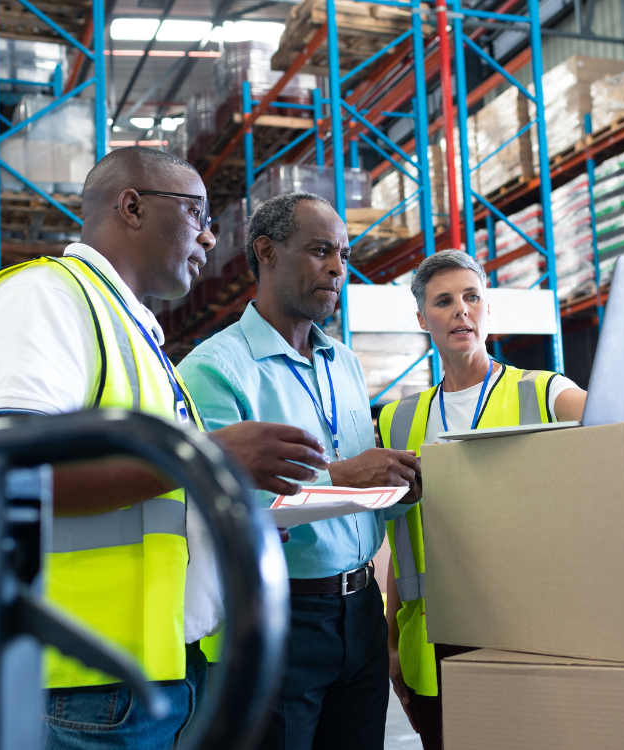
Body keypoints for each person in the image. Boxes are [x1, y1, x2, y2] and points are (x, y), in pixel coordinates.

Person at [0, 147, 329, 750]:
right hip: (74, 686)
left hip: (150, 675)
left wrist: (224, 523)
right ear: (133, 207)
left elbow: (150, 496)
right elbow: (6, 473)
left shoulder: (137, 336)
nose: (210, 236)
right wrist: (211, 458)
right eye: (196, 213)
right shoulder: (48, 296)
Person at [178, 191, 422, 750]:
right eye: (320, 251)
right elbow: (216, 511)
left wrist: (397, 482)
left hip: (360, 613)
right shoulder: (215, 370)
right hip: (275, 617)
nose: (338, 268)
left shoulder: (346, 363)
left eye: (343, 253)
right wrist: (341, 476)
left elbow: (362, 483)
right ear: (266, 251)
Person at [379, 249, 587, 750]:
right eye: (444, 301)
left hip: (523, 632)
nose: (461, 311)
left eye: (472, 298)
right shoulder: (395, 421)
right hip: (430, 640)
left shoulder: (543, 392)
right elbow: (402, 540)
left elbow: (612, 418)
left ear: (488, 310)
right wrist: (389, 643)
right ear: (422, 319)